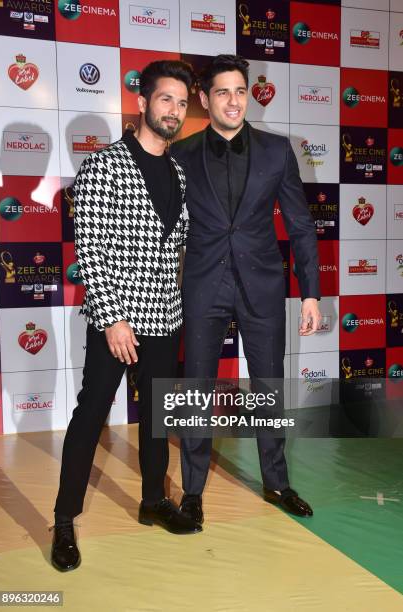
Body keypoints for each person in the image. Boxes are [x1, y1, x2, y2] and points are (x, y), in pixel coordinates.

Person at [51, 59, 201, 573]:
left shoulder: (179, 171)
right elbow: (89, 249)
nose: (174, 111)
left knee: (158, 418)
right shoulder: (103, 166)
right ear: (142, 103)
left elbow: (173, 248)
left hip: (165, 316)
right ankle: (65, 519)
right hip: (116, 320)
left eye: (182, 103)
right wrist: (114, 319)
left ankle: (153, 500)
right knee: (91, 414)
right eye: (166, 100)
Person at [171, 55, 321, 526]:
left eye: (240, 91)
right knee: (195, 391)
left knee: (268, 388)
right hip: (201, 285)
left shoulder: (278, 150)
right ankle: (192, 491)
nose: (234, 101)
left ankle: (276, 482)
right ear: (204, 99)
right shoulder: (182, 154)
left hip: (261, 285)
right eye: (222, 92)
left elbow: (300, 226)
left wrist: (311, 292)